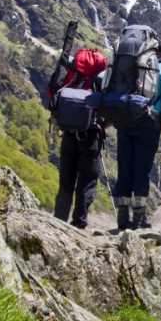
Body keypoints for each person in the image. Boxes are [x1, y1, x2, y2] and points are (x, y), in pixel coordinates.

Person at [112, 41, 161, 232]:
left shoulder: (130, 66)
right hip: (149, 123)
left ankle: (122, 217)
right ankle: (139, 218)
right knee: (141, 169)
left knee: (124, 166)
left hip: (125, 120)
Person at [52, 48, 108, 229]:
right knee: (86, 182)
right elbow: (109, 107)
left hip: (68, 132)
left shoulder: (72, 72)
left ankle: (59, 220)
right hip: (91, 135)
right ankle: (79, 223)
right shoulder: (102, 78)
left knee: (66, 180)